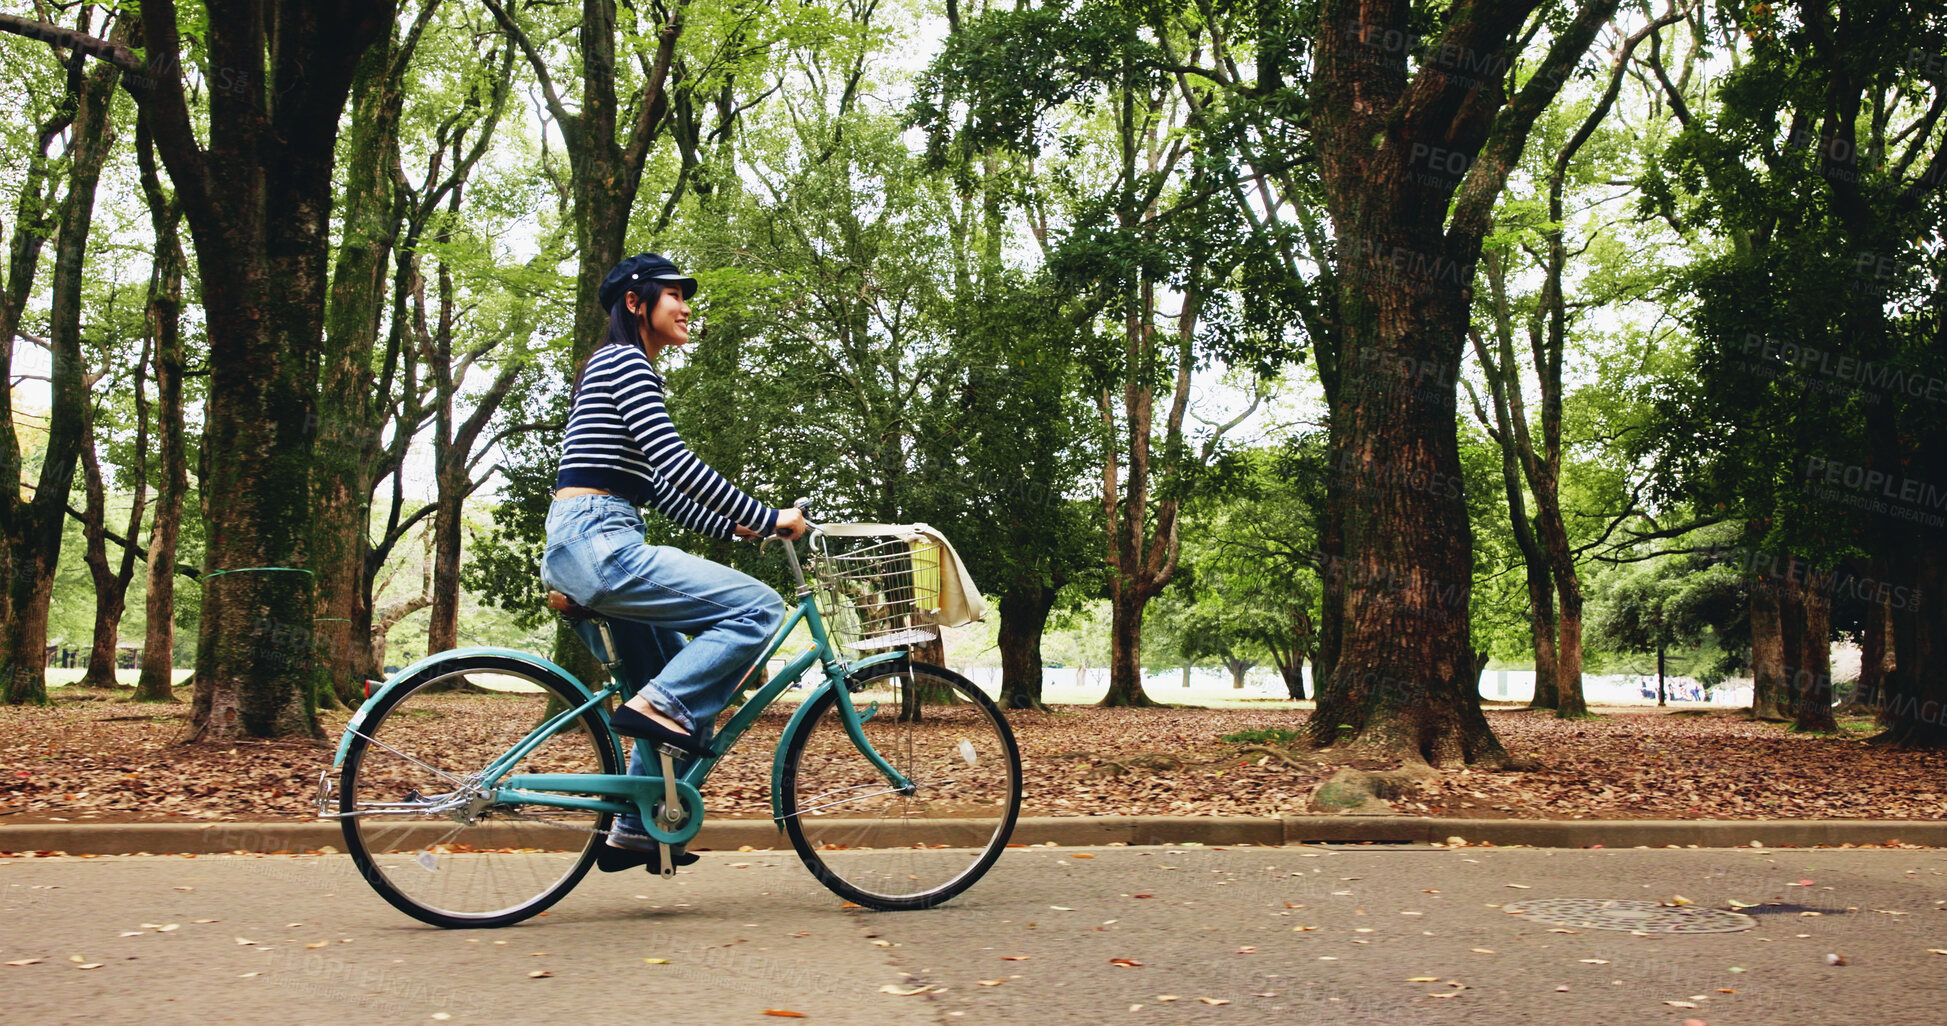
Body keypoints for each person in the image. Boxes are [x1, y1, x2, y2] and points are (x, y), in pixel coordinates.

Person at [541, 252, 806, 873]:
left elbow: (660, 487)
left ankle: (635, 830)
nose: (686, 307)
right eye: (674, 295)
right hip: (601, 543)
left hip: (595, 540)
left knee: (689, 689)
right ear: (636, 303)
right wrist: (769, 516)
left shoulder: (615, 369)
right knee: (760, 611)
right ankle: (658, 710)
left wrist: (736, 529)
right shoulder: (626, 362)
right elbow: (677, 460)